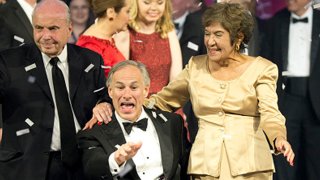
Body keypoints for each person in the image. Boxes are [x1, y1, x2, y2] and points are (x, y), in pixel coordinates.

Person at [143, 3, 295, 179]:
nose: (209, 41)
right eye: (207, 33)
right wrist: (124, 107)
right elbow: (162, 101)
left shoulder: (262, 69)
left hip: (251, 167)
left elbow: (270, 113)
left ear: (238, 37)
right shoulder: (195, 67)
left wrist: (279, 137)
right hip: (206, 166)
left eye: (218, 34)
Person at [0, 0, 111, 179]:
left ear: (69, 28)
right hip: (27, 165)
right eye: (39, 28)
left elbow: (105, 96)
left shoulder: (90, 60)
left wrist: (104, 104)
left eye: (53, 28)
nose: (45, 36)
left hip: (81, 164)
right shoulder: (9, 62)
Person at [77, 60, 186, 180]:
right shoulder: (93, 133)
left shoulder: (173, 123)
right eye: (120, 87)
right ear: (110, 91)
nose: (127, 94)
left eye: (134, 87)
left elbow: (185, 165)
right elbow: (92, 169)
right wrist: (116, 159)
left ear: (145, 90)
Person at [261, 0, 320, 180]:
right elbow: (266, 61)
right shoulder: (275, 22)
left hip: (316, 100)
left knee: (315, 159)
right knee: (284, 155)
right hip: (286, 98)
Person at [115, 0, 182, 96]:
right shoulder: (125, 32)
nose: (154, 8)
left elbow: (176, 80)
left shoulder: (168, 32)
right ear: (135, 3)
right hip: (135, 103)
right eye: (147, 2)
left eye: (160, 3)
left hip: (165, 103)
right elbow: (120, 79)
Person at [76, 0, 130, 78]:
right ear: (111, 12)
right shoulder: (90, 47)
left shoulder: (107, 40)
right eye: (127, 11)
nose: (130, 18)